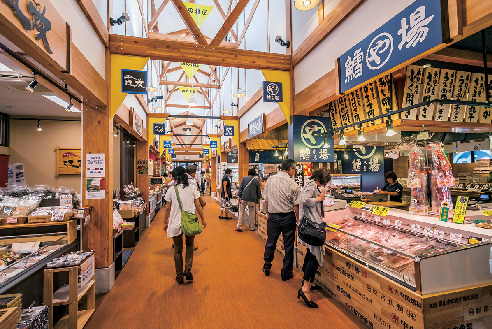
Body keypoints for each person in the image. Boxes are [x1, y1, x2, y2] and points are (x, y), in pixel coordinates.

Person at [163, 166, 206, 284]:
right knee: (190, 245)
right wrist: (203, 219)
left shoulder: (171, 190)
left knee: (177, 249)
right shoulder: (192, 188)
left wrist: (165, 222)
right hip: (190, 221)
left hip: (176, 222)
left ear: (175, 177)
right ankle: (187, 268)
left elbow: (167, 208)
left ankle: (179, 275)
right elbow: (198, 205)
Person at [262, 159, 300, 281]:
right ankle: (286, 273)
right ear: (290, 169)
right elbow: (296, 205)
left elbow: (266, 199)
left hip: (273, 217)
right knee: (288, 246)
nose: (294, 172)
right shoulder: (292, 184)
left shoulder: (270, 180)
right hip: (288, 217)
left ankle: (267, 266)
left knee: (270, 242)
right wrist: (298, 220)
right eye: (294, 169)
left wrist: (267, 212)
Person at [297, 169, 330, 308]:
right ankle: (305, 289)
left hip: (312, 224)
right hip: (313, 226)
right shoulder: (311, 185)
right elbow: (303, 200)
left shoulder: (312, 184)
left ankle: (308, 282)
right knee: (314, 257)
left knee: (311, 254)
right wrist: (318, 198)